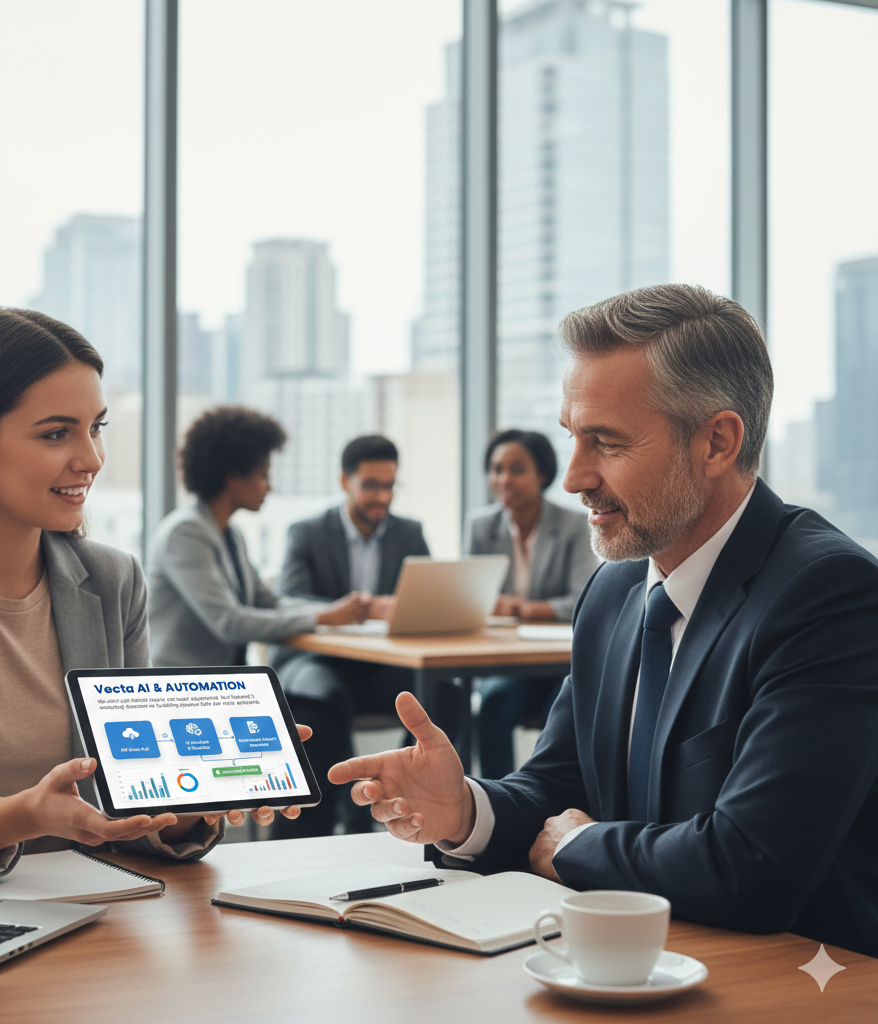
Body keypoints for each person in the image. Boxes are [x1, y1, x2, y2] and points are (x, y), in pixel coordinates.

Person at [329, 284, 878, 958]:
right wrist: (465, 811)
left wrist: (581, 845)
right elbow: (558, 786)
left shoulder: (828, 593)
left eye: (606, 443)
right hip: (645, 962)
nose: (573, 477)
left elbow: (752, 865)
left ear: (716, 442)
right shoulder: (616, 589)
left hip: (805, 981)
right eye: (572, 437)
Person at [0, 308, 304, 887]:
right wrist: (18, 816)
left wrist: (182, 807)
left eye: (97, 428)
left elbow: (118, 809)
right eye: (56, 433)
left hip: (95, 922)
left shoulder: (114, 581)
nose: (91, 460)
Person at [273, 434, 461, 838]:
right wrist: (342, 609)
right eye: (371, 485)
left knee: (446, 690)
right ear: (346, 482)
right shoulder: (307, 532)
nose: (382, 496)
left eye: (390, 485)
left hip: (377, 665)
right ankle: (320, 830)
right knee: (321, 701)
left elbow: (424, 596)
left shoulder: (408, 533)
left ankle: (424, 808)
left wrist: (395, 606)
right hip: (316, 661)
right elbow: (288, 599)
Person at [146, 406, 368, 668]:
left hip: (221, 682)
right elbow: (230, 622)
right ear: (232, 477)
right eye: (263, 475)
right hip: (181, 688)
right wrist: (322, 617)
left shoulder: (229, 534)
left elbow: (268, 602)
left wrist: (338, 611)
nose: (269, 486)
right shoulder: (184, 534)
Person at [466, 429, 599, 777]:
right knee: (493, 701)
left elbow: (582, 600)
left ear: (542, 474)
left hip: (560, 663)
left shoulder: (573, 524)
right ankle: (497, 798)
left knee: (568, 707)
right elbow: (473, 599)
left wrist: (519, 609)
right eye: (496, 469)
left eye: (516, 469)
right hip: (507, 663)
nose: (503, 479)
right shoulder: (481, 526)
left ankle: (557, 800)